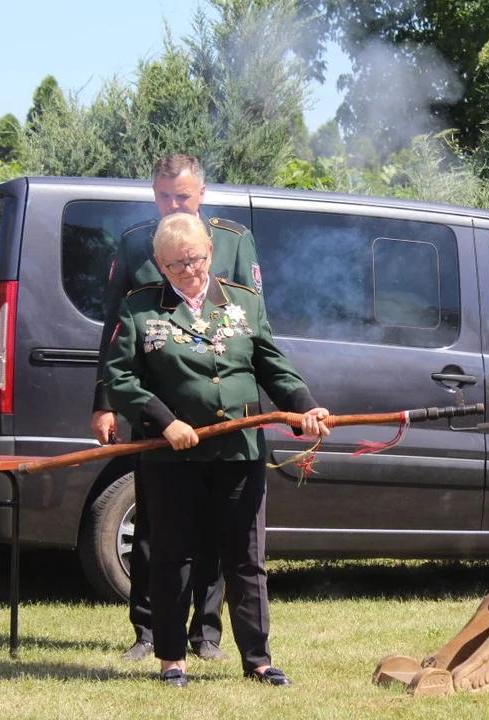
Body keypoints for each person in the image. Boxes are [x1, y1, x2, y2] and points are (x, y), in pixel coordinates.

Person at [104, 213, 329, 687]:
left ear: (210, 251)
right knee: (173, 555)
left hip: (239, 453)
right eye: (178, 264)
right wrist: (165, 422)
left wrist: (305, 406)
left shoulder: (243, 301)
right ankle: (171, 659)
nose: (191, 270)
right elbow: (119, 380)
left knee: (245, 558)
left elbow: (271, 364)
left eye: (197, 259)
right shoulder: (139, 309)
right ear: (160, 266)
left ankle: (258, 659)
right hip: (172, 458)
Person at [91, 154, 264, 662]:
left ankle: (205, 632)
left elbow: (251, 323)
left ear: (201, 194)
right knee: (156, 526)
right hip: (160, 411)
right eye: (164, 195)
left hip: (222, 416)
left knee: (216, 528)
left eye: (182, 196)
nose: (172, 205)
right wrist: (105, 404)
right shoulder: (136, 241)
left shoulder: (233, 240)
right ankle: (148, 630)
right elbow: (115, 329)